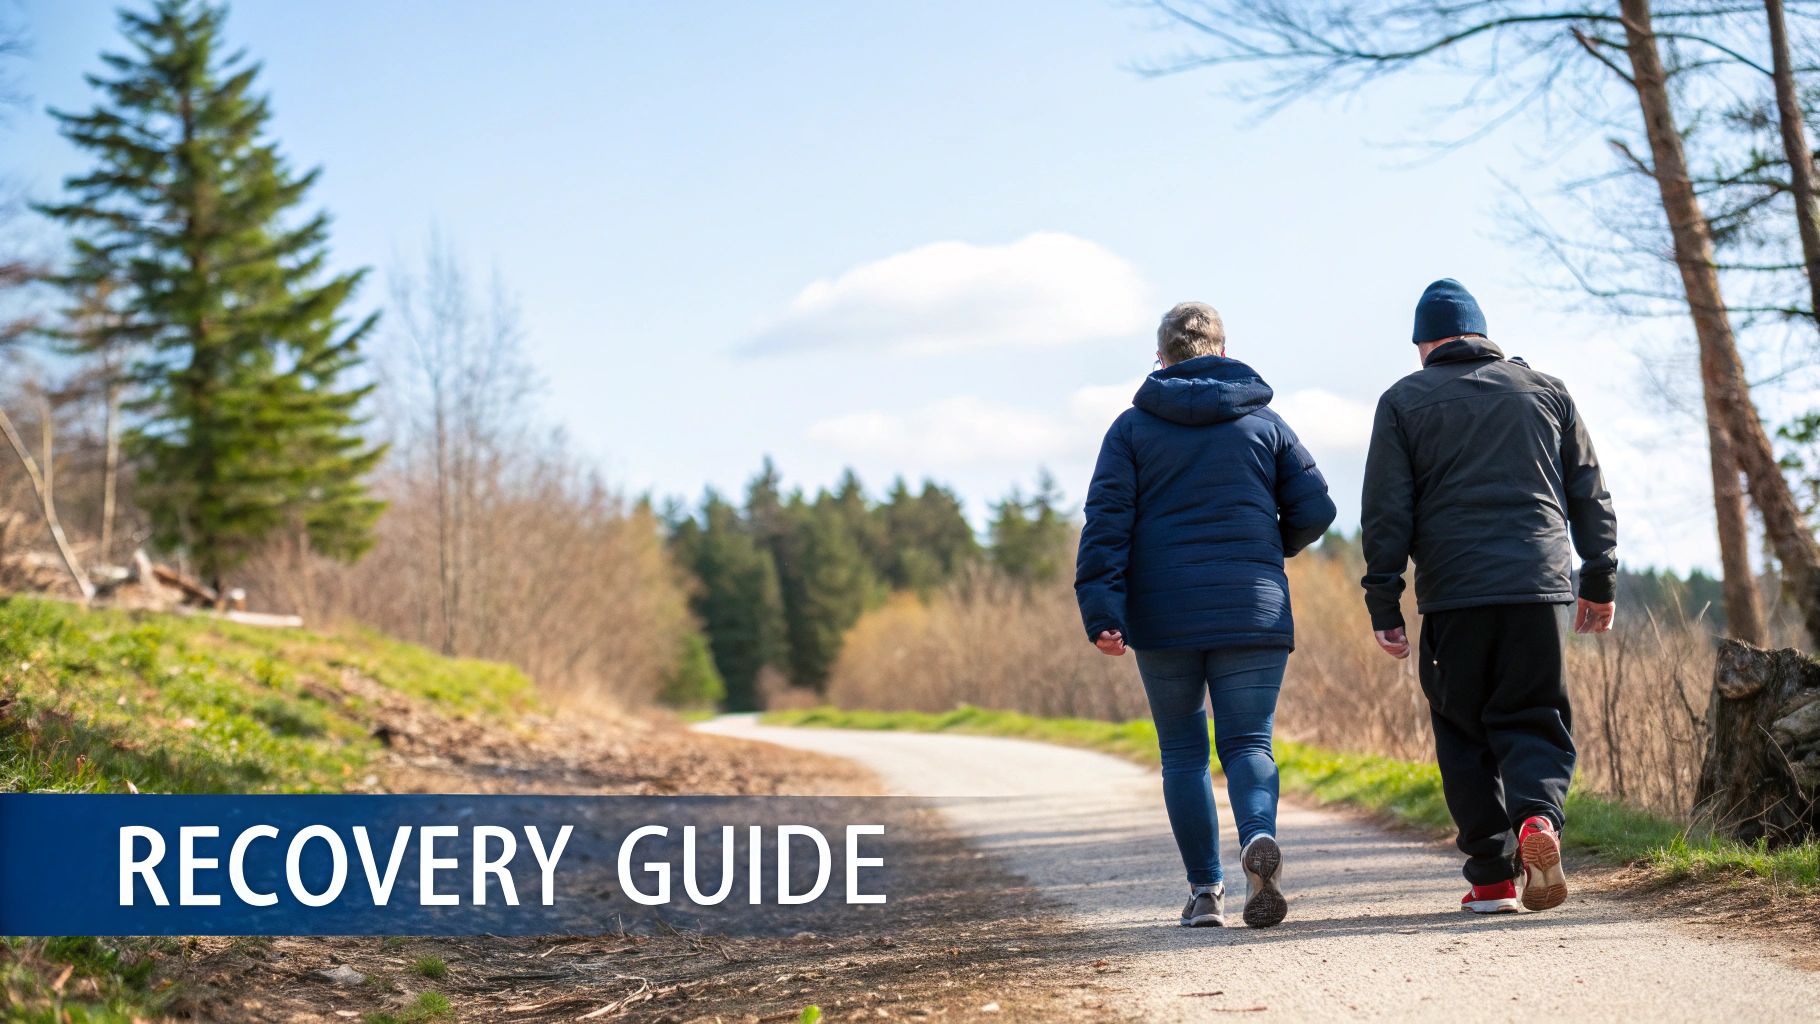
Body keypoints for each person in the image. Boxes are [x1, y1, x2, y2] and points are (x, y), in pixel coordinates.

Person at [1075, 301, 1337, 929]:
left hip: (1163, 614)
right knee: (1249, 741)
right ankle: (1256, 838)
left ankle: (1205, 893)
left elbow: (1106, 527)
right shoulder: (1265, 425)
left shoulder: (1130, 431)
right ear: (1222, 353)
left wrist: (1102, 610)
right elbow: (1317, 509)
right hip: (1252, 608)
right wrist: (1270, 549)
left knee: (1184, 754)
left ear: (1160, 360)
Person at [1360, 278, 1617, 915]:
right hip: (1538, 587)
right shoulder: (1546, 391)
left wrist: (1384, 604)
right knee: (1533, 714)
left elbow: (1386, 513)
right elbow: (1589, 490)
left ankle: (1494, 880)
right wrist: (1600, 578)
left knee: (1463, 730)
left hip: (1454, 593)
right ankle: (1538, 821)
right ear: (1483, 335)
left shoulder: (1402, 400)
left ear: (1424, 345)